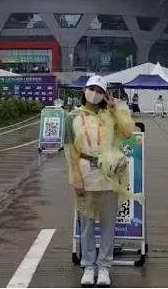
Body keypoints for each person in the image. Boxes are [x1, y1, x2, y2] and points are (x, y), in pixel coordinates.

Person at [64, 75, 137, 287]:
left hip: (109, 176)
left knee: (108, 224)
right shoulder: (72, 117)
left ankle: (104, 267)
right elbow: (70, 150)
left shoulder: (109, 116)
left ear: (105, 95)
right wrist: (76, 177)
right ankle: (88, 266)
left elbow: (127, 133)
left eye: (99, 91)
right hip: (85, 173)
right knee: (86, 224)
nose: (94, 94)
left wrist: (114, 110)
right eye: (92, 89)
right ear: (84, 90)